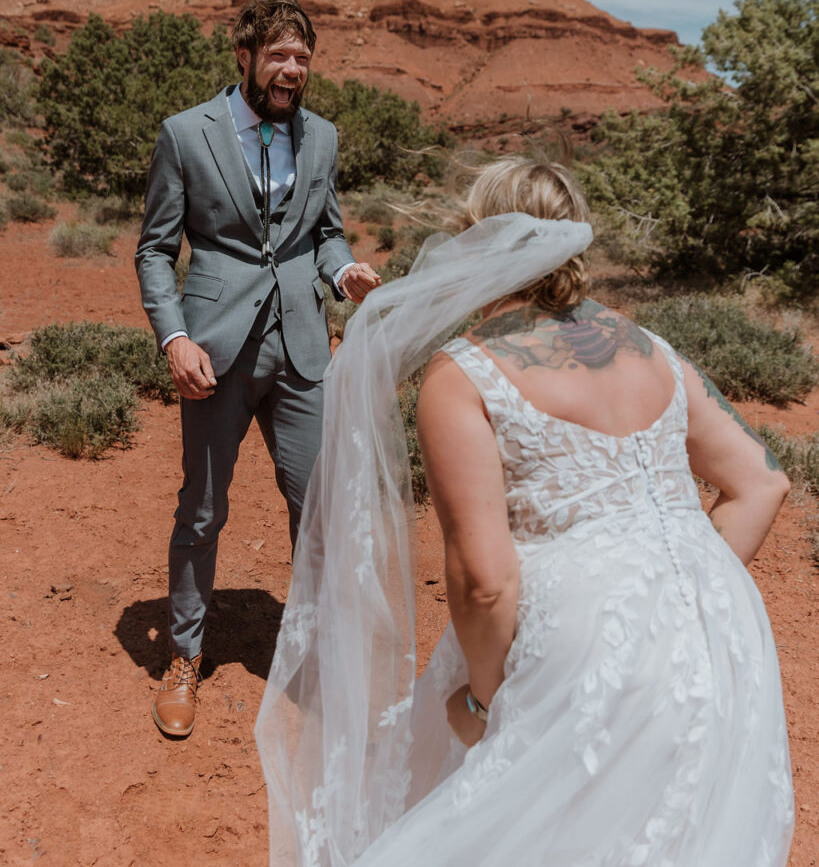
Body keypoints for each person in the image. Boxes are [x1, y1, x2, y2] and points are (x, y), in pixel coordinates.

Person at [255, 154, 794, 866]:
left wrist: (482, 706)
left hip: (571, 639)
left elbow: (485, 579)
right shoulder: (649, 348)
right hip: (718, 630)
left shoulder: (466, 372)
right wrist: (664, 595)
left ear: (479, 238)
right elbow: (762, 484)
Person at [135, 0, 380, 738]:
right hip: (212, 350)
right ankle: (183, 657)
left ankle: (315, 659)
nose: (292, 69)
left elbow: (325, 233)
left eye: (302, 58)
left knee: (317, 511)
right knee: (202, 512)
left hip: (302, 348)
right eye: (278, 55)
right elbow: (155, 250)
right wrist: (174, 337)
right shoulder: (186, 134)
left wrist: (344, 275)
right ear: (243, 56)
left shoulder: (322, 137)